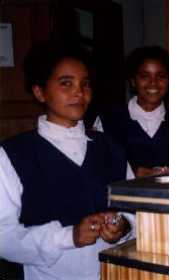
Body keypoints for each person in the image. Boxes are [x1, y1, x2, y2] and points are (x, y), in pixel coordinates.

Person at [0, 41, 134, 280]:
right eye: (66, 83)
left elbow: (137, 211)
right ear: (40, 92)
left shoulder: (111, 148)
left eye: (85, 84)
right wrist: (70, 236)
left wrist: (124, 226)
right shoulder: (12, 155)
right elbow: (4, 237)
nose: (79, 93)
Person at [92, 46, 169, 177]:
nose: (153, 83)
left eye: (161, 76)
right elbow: (96, 167)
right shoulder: (107, 120)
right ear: (133, 81)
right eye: (145, 76)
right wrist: (132, 175)